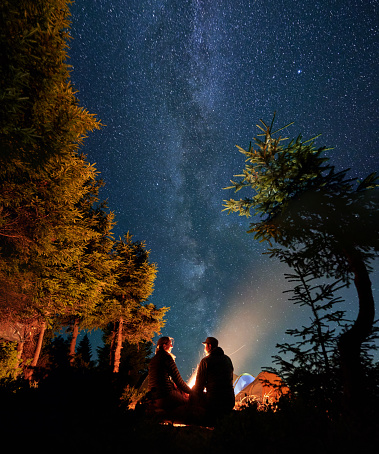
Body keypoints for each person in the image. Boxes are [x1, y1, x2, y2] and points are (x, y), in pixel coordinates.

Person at [192, 336, 235, 423]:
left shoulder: (206, 361)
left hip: (214, 401)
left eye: (205, 346)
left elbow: (198, 386)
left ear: (209, 346)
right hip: (230, 401)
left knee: (193, 392)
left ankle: (195, 420)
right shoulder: (227, 359)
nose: (204, 348)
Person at [147, 336, 192, 413]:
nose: (172, 346)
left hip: (153, 396)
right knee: (189, 403)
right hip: (164, 394)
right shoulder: (166, 357)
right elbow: (178, 380)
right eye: (170, 344)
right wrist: (191, 392)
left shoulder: (153, 359)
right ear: (164, 346)